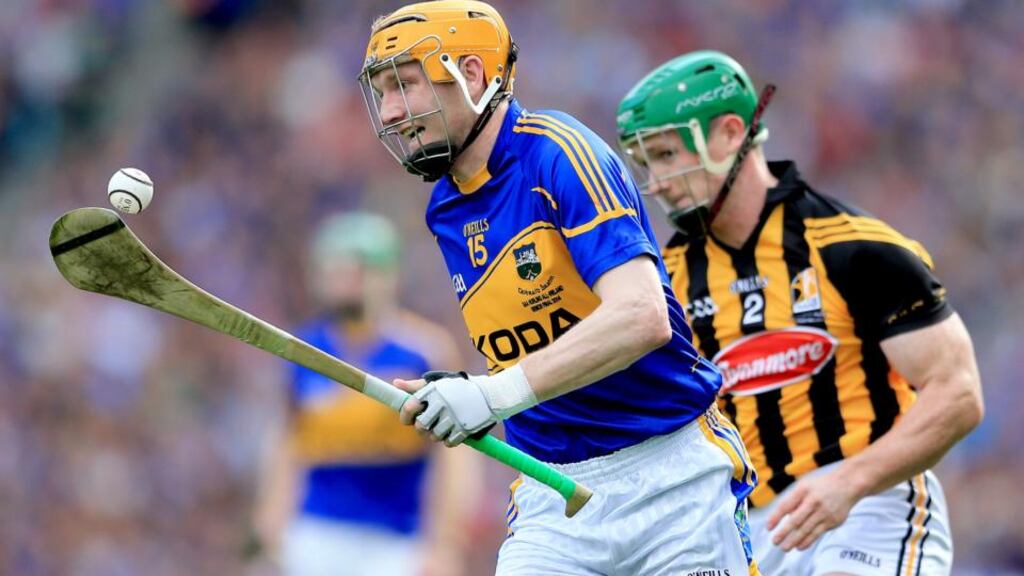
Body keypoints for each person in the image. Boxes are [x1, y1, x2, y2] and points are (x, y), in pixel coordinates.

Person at [357, 2, 760, 575]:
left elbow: (643, 316)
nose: (392, 111)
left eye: (404, 85)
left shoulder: (558, 153)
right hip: (554, 490)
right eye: (381, 93)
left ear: (471, 74)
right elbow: (527, 340)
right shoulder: (445, 207)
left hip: (672, 476)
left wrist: (492, 397)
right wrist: (464, 394)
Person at [615, 50, 985, 575]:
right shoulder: (663, 281)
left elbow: (959, 394)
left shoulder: (854, 249)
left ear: (728, 133)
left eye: (668, 154)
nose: (656, 180)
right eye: (645, 161)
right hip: (744, 531)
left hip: (867, 503)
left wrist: (849, 482)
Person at [251, 211, 477, 576]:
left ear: (387, 275)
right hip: (316, 532)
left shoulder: (424, 350)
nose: (343, 283)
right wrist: (271, 525)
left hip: (397, 540)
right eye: (333, 271)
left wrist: (446, 543)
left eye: (355, 271)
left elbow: (454, 456)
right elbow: (287, 441)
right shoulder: (304, 350)